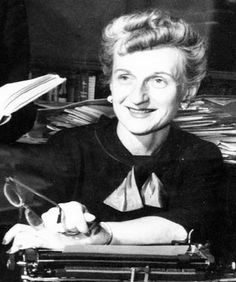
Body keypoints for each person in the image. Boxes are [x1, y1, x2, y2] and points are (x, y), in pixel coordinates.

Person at [2, 9, 224, 253]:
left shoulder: (200, 154)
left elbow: (190, 222)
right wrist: (52, 221)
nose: (138, 97)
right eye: (125, 77)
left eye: (158, 80)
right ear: (110, 84)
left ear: (187, 93)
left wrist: (103, 234)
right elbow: (36, 219)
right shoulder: (69, 147)